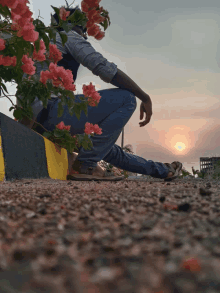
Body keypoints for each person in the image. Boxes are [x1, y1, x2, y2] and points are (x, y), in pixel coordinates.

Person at [18, 5, 183, 182]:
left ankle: (163, 170)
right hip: (50, 114)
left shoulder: (38, 44)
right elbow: (105, 69)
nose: (85, 35)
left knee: (104, 146)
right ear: (74, 26)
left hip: (39, 124)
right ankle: (84, 166)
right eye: (83, 29)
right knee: (126, 99)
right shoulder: (66, 37)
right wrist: (145, 97)